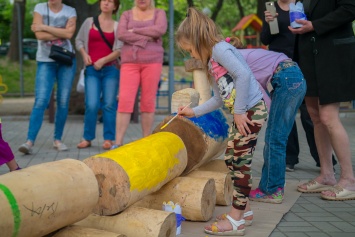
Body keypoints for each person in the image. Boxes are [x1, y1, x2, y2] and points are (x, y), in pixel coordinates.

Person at [176, 8, 268, 236]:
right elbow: (218, 98)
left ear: (198, 39)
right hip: (243, 112)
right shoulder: (210, 63)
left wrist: (239, 111)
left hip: (251, 111)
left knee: (240, 161)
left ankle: (237, 219)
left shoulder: (220, 50)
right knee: (231, 158)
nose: (192, 55)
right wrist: (193, 112)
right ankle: (244, 210)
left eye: (190, 50)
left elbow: (244, 76)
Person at [222, 37, 306, 205]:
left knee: (275, 138)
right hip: (292, 77)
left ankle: (272, 190)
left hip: (287, 79)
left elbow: (260, 97)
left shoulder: (235, 61)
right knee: (276, 137)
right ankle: (272, 186)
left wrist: (255, 118)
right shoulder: (243, 56)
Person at [289, 0, 355, 200]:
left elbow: (350, 8)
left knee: (328, 116)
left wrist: (315, 25)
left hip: (333, 55)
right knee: (315, 115)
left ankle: (349, 180)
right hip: (309, 55)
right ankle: (326, 175)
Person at [261, 0, 337, 172]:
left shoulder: (303, 5)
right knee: (285, 113)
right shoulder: (271, 7)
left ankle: (323, 159)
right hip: (278, 65)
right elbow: (265, 39)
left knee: (309, 115)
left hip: (303, 63)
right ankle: (289, 159)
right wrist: (268, 23)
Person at [18, 0, 77, 154]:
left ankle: (58, 140)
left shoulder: (70, 11)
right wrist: (60, 31)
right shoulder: (39, 8)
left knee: (63, 101)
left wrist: (43, 26)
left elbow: (69, 34)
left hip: (66, 60)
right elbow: (38, 35)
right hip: (45, 61)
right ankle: (29, 141)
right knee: (41, 100)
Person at [111, 0, 167, 149]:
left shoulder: (159, 13)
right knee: (124, 100)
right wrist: (149, 36)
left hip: (153, 61)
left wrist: (134, 31)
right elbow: (121, 34)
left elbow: (160, 30)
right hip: (129, 61)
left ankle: (146, 141)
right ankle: (118, 142)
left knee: (148, 101)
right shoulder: (126, 14)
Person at [75, 0, 122, 150]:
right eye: (104, 0)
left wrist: (103, 60)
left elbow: (120, 49)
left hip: (111, 70)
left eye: (110, 1)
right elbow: (79, 41)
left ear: (115, 6)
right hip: (92, 70)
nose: (106, 3)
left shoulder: (117, 26)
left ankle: (109, 138)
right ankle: (87, 138)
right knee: (92, 104)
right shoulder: (89, 22)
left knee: (109, 104)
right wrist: (84, 55)